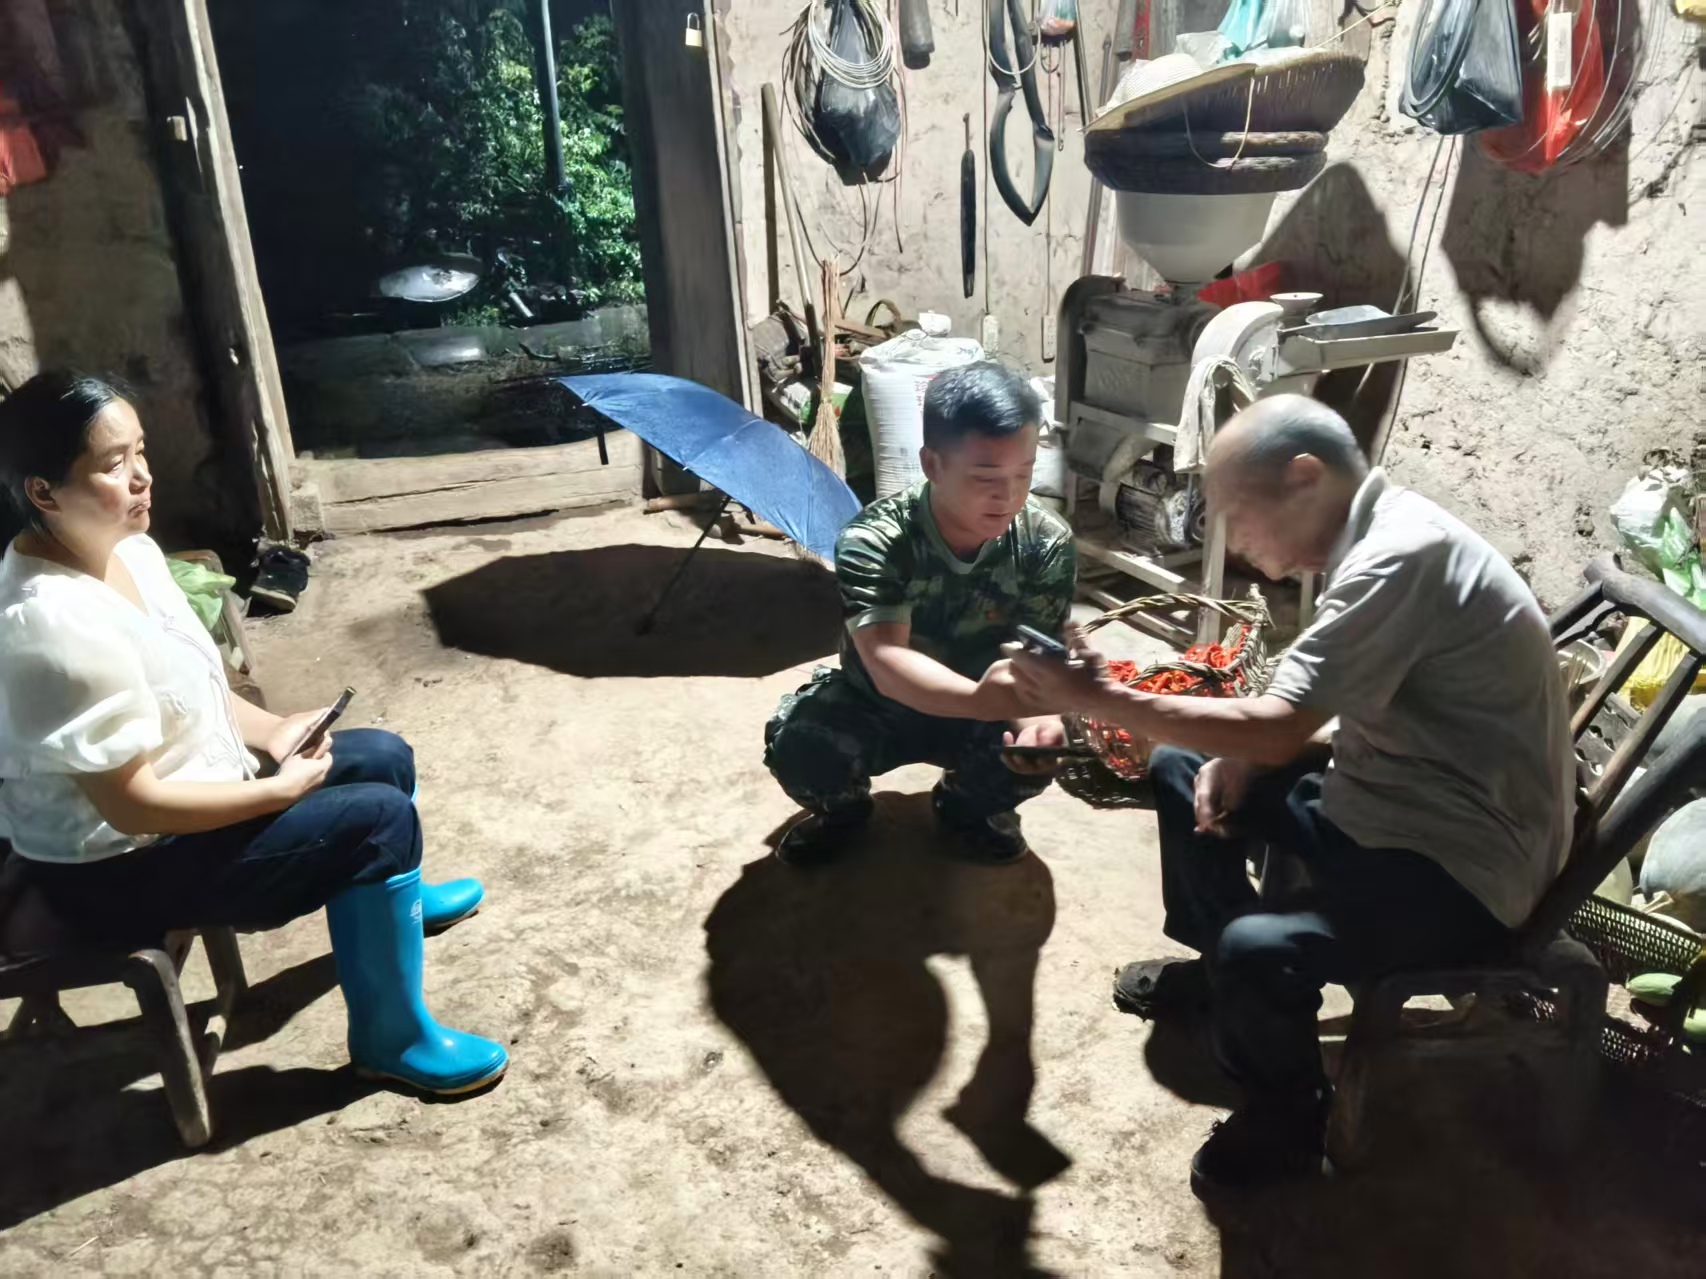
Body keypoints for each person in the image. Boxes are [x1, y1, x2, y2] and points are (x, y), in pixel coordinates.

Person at [1009, 395, 1573, 1193]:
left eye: (1238, 512)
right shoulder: (1377, 538)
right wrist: (1250, 754)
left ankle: (1287, 1113)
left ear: (1305, 478)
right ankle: (1220, 977)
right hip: (1391, 797)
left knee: (1260, 946)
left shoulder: (1398, 557)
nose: (1230, 535)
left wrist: (1100, 698)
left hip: (1462, 869)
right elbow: (1327, 712)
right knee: (1185, 765)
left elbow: (1278, 725)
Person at [0, 371, 506, 1097]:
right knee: (378, 821)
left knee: (382, 757)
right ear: (43, 492)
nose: (143, 476)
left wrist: (274, 731)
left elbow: (190, 682)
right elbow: (134, 805)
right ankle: (392, 1039)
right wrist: (276, 795)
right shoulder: (48, 623)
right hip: (112, 873)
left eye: (140, 450)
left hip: (182, 799)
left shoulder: (126, 548)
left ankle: (400, 904)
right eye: (114, 464)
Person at [764, 361, 1076, 865]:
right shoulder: (875, 538)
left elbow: (1037, 657)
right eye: (985, 477)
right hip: (878, 704)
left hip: (984, 709)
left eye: (1023, 473)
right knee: (801, 745)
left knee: (1041, 747)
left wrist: (1041, 724)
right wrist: (981, 700)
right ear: (932, 464)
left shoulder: (1045, 541)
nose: (1009, 495)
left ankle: (964, 807)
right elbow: (887, 662)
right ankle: (844, 812)